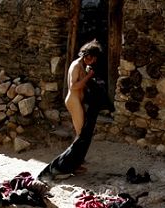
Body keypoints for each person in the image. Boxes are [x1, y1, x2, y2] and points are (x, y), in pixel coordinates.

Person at [38, 39, 112, 180]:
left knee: (82, 134)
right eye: (93, 58)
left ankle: (76, 162)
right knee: (81, 135)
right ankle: (69, 165)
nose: (94, 60)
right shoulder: (76, 65)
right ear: (88, 56)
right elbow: (73, 86)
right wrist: (89, 76)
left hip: (78, 101)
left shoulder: (83, 65)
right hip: (73, 101)